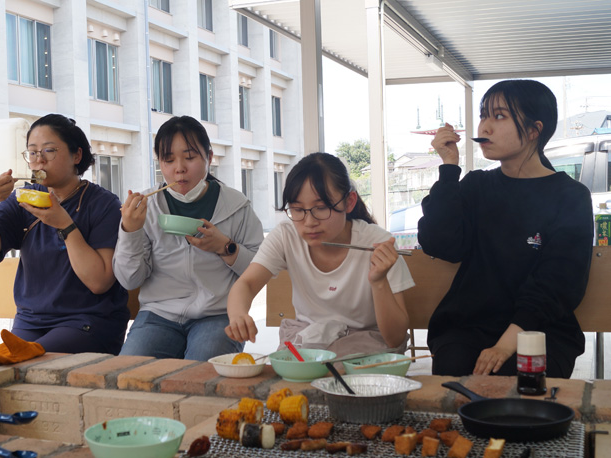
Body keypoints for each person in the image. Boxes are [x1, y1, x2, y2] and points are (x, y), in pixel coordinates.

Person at [418, 79, 593, 378]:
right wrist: (449, 169)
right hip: (467, 327)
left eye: (498, 116)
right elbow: (440, 244)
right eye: (484, 115)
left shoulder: (570, 196)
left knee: (519, 387)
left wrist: (504, 346)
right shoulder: (476, 186)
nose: (484, 127)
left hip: (541, 332)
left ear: (534, 130)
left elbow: (557, 284)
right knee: (457, 382)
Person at [0, 114, 129, 355]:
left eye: (49, 151)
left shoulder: (103, 204)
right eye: (32, 153)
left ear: (77, 155)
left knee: (22, 360)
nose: (39, 160)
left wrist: (64, 224)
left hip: (87, 322)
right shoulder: (23, 199)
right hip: (31, 321)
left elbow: (99, 282)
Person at [225, 152, 414, 357]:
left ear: (349, 202)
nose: (309, 222)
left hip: (365, 343)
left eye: (321, 208)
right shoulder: (286, 235)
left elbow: (394, 339)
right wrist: (238, 314)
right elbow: (247, 284)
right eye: (297, 209)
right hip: (309, 339)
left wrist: (379, 282)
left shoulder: (377, 245)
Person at [114, 115, 264, 360]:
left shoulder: (236, 206)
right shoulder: (147, 207)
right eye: (168, 159)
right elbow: (129, 280)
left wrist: (226, 247)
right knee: (132, 374)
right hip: (158, 315)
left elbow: (260, 269)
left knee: (202, 375)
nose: (179, 168)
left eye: (190, 157)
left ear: (209, 158)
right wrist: (130, 230)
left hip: (218, 314)